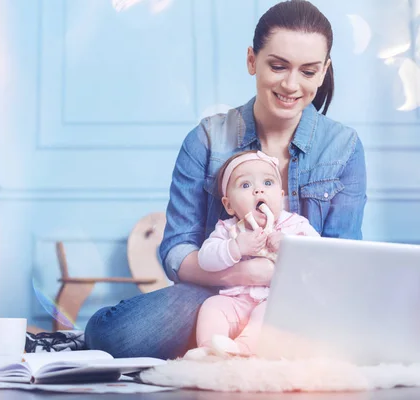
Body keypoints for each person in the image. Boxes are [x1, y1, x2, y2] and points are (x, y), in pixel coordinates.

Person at [85, 0, 367, 359]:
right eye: (278, 66)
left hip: (305, 298)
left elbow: (341, 258)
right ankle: (226, 343)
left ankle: (241, 347)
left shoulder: (344, 147)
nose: (291, 84)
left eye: (308, 71)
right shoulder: (206, 139)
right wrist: (245, 273)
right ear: (252, 60)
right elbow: (177, 251)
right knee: (120, 337)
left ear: (324, 70)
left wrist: (284, 284)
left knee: (347, 337)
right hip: (217, 294)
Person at [187, 150, 319, 358]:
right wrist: (235, 248)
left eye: (268, 183)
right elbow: (205, 259)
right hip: (236, 301)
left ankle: (243, 350)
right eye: (245, 185)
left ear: (281, 197)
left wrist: (289, 245)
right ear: (228, 205)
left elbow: (318, 255)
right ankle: (209, 350)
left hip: (274, 301)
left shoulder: (295, 225)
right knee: (212, 306)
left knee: (267, 315)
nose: (259, 191)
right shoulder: (228, 229)